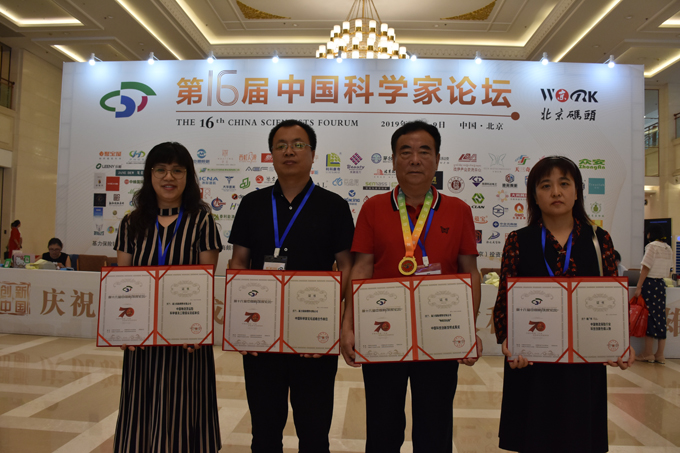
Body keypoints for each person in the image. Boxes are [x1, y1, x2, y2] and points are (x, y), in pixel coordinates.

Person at [341, 121, 482, 453]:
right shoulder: (373, 208)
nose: (415, 160)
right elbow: (361, 268)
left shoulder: (459, 210)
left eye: (424, 151)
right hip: (382, 331)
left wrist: (468, 329)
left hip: (440, 333)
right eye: (406, 152)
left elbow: (470, 272)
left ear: (437, 159)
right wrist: (348, 325)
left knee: (435, 427)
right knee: (383, 425)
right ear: (393, 159)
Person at [492, 156, 634, 453]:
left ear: (577, 191)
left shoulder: (599, 239)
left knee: (579, 438)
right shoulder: (518, 240)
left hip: (582, 367)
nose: (556, 192)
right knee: (534, 438)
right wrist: (509, 342)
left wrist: (619, 343)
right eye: (546, 185)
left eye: (564, 184)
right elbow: (505, 299)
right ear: (534, 195)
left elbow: (612, 299)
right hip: (532, 363)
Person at [229, 119, 354, 452]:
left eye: (299, 144)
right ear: (271, 154)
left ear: (313, 154)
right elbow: (238, 263)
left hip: (314, 335)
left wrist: (332, 317)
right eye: (281, 145)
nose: (289, 151)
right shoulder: (252, 203)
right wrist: (241, 325)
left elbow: (347, 266)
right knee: (264, 431)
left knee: (314, 432)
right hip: (261, 336)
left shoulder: (334, 206)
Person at [112, 142, 222, 452]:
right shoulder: (131, 223)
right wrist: (124, 330)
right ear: (150, 175)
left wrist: (197, 330)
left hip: (186, 340)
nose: (168, 177)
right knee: (141, 411)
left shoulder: (201, 221)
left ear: (188, 176)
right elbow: (123, 282)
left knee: (183, 410)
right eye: (160, 169)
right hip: (142, 341)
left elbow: (205, 282)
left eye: (177, 170)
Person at [634, 224, 672, 364]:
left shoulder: (652, 246)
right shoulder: (668, 248)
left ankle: (648, 353)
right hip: (661, 284)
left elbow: (646, 267)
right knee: (661, 318)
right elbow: (669, 269)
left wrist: (639, 286)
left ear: (651, 234)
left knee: (649, 317)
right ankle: (660, 355)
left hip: (650, 284)